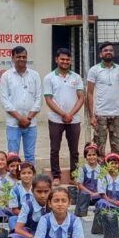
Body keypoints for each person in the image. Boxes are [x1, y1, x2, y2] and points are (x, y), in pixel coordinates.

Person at [44, 48, 86, 181]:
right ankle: (56, 176)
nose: (65, 62)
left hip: (74, 120)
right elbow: (48, 99)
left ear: (71, 61)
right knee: (54, 149)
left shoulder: (76, 77)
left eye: (68, 59)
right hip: (56, 119)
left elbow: (81, 97)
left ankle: (74, 177)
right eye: (62, 59)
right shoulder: (49, 77)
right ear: (56, 60)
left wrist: (70, 114)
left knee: (74, 150)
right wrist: (63, 114)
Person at [0, 46, 42, 164]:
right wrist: (19, 118)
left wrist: (28, 119)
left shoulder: (35, 75)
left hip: (31, 123)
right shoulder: (6, 76)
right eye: (18, 57)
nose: (21, 59)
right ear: (12, 58)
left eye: (24, 57)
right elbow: (5, 101)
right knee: (13, 156)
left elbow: (39, 99)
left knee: (30, 156)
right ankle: (13, 181)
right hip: (13, 124)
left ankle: (30, 180)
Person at [87, 41, 119, 156]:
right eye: (105, 50)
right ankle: (100, 173)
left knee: (116, 148)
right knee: (99, 147)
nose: (108, 52)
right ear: (101, 54)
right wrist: (91, 116)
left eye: (111, 50)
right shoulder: (94, 70)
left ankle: (115, 172)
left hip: (117, 114)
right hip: (100, 114)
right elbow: (89, 93)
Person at [8, 174, 52, 238]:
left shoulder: (53, 203)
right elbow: (18, 229)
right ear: (32, 191)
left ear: (51, 190)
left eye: (46, 191)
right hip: (31, 236)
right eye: (39, 191)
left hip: (48, 236)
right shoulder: (27, 205)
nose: (43, 195)